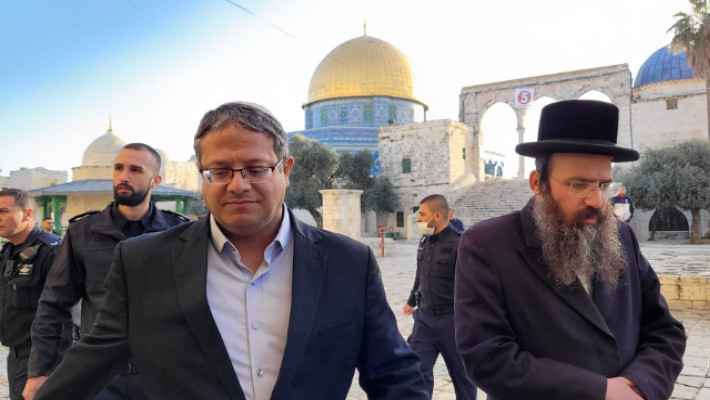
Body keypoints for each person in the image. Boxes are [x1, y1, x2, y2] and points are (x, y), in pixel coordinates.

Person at [32, 101, 427, 400]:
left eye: (255, 169)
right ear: (202, 176)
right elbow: (93, 360)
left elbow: (393, 374)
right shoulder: (143, 262)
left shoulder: (347, 264)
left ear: (285, 169)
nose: (237, 185)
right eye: (219, 171)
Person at [454, 100, 686, 400]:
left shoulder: (621, 235)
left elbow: (664, 330)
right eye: (579, 185)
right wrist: (601, 391)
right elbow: (488, 357)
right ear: (538, 183)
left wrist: (640, 386)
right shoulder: (487, 245)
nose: (596, 201)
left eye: (603, 185)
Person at [25, 143, 189, 400]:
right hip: (101, 375)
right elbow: (53, 304)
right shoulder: (83, 233)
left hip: (161, 375)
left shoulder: (177, 233)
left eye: (135, 169)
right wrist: (38, 371)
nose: (123, 176)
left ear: (155, 180)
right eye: (118, 168)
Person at [403, 195, 476, 400]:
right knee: (417, 373)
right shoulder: (425, 240)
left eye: (423, 214)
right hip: (424, 320)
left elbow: (473, 286)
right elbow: (420, 274)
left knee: (463, 377)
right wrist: (411, 300)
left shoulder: (460, 244)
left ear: (437, 215)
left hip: (451, 322)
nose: (419, 219)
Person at [0, 189, 66, 399]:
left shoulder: (52, 251)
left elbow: (63, 315)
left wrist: (41, 370)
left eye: (3, 211)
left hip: (43, 360)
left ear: (27, 214)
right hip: (17, 354)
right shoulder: (9, 252)